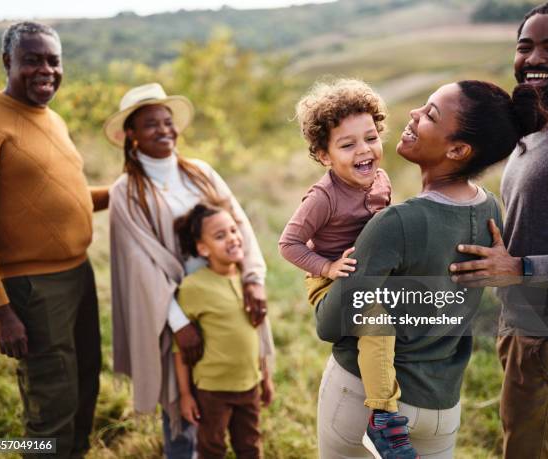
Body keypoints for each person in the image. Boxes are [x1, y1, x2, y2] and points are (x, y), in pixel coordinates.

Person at [314, 80, 548, 459]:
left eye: (430, 115)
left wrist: (321, 272)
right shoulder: (488, 209)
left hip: (369, 404)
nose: (413, 114)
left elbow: (329, 324)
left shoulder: (396, 223)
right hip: (441, 408)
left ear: (458, 149)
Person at [449, 2, 548, 457]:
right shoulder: (536, 130)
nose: (533, 59)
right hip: (529, 329)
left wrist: (520, 266)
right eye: (524, 47)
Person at [105, 83, 273, 458]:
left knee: (229, 391)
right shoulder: (126, 192)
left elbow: (238, 224)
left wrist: (253, 279)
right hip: (172, 308)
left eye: (167, 122)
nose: (164, 130)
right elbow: (141, 265)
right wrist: (178, 321)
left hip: (224, 297)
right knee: (183, 403)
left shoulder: (201, 173)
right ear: (130, 134)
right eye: (151, 124)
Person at [0, 22, 108, 458]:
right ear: (7, 62)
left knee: (86, 381)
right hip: (31, 289)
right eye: (33, 60)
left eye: (53, 60)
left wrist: (127, 191)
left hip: (79, 276)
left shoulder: (52, 118)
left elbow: (61, 196)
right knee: (50, 405)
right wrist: (1, 310)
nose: (46, 70)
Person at [278, 79, 415, 458]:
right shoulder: (323, 197)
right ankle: (383, 418)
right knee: (375, 319)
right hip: (329, 280)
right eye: (347, 144)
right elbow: (287, 244)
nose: (364, 150)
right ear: (324, 155)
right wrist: (328, 265)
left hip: (370, 273)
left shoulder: (381, 181)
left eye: (370, 138)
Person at [173, 203, 274, 458]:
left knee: (250, 446)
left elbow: (256, 334)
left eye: (233, 230)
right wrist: (185, 394)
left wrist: (266, 377)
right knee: (212, 448)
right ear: (202, 248)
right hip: (212, 390)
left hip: (249, 384)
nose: (232, 238)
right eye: (220, 236)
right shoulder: (193, 287)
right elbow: (180, 348)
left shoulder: (248, 281)